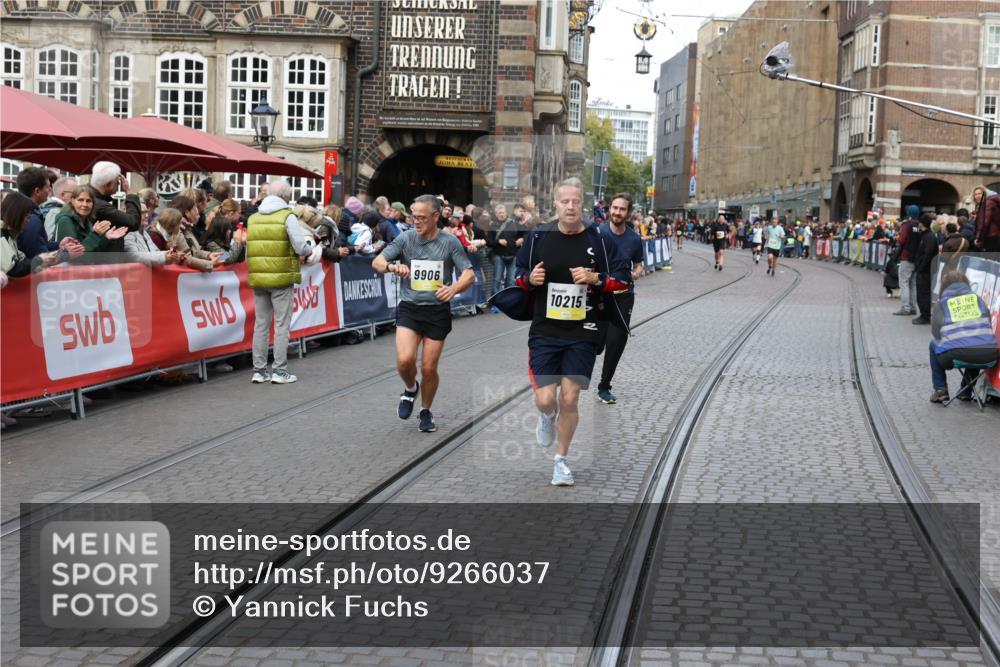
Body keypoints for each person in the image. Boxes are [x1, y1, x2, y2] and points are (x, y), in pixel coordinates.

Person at [509, 177, 630, 486]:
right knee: (547, 399)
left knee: (571, 398)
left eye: (576, 201)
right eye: (566, 201)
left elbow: (623, 280)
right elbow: (518, 275)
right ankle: (546, 417)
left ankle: (560, 461)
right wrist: (530, 280)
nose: (571, 206)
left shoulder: (601, 240)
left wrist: (595, 278)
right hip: (545, 330)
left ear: (582, 204)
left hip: (584, 330)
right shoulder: (538, 237)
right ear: (556, 205)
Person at [372, 194, 475, 433]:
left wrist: (454, 288)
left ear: (436, 217)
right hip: (410, 307)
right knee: (405, 360)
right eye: (413, 217)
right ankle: (410, 389)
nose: (415, 222)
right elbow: (377, 262)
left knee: (429, 367)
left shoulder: (449, 242)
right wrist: (391, 266)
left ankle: (425, 411)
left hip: (437, 311)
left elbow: (469, 274)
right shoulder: (406, 239)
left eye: (421, 218)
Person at [245, 179, 316, 385]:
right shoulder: (287, 216)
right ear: (286, 196)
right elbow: (300, 247)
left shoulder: (254, 218)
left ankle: (259, 370)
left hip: (259, 276)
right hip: (281, 276)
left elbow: (249, 250)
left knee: (261, 325)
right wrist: (309, 248)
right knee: (281, 325)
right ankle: (279, 370)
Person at [596, 193, 644, 405]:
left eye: (622, 209)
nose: (617, 212)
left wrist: (637, 271)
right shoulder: (597, 233)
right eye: (614, 208)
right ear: (609, 209)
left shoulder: (634, 238)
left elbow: (639, 263)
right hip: (598, 295)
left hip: (623, 296)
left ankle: (604, 386)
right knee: (595, 343)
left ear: (628, 212)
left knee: (615, 342)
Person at [928, 271, 999, 403]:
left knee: (933, 344)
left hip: (955, 356)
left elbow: (936, 333)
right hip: (989, 356)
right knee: (976, 344)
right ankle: (966, 392)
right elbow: (988, 324)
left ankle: (940, 389)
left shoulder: (941, 304)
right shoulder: (979, 300)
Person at [2, 191, 73, 276]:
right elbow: (14, 269)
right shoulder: (3, 235)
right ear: (16, 214)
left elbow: (23, 262)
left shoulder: (10, 235)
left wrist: (52, 256)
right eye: (26, 216)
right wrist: (40, 259)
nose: (28, 221)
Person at [54, 185, 129, 254]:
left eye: (88, 201)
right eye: (80, 200)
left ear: (93, 203)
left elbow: (93, 252)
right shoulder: (65, 220)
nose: (85, 204)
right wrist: (95, 234)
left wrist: (106, 237)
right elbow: (76, 255)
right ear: (73, 201)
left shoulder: (88, 221)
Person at [894, 204, 921, 316]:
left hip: (906, 257)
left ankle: (905, 307)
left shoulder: (906, 225)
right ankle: (913, 307)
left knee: (904, 283)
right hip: (917, 258)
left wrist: (895, 254)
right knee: (913, 284)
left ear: (909, 214)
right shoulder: (920, 225)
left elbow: (901, 240)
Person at [912, 214, 937, 325]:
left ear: (922, 224)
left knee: (923, 293)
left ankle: (925, 316)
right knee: (922, 293)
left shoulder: (929, 237)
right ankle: (924, 314)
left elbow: (928, 254)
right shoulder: (926, 235)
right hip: (924, 270)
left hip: (925, 271)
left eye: (919, 222)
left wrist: (921, 267)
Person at [43, 175, 77, 242]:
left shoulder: (57, 209)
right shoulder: (55, 211)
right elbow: (50, 240)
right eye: (75, 193)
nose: (78, 195)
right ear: (63, 195)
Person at [971, 185, 1000, 252]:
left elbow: (985, 222)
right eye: (975, 194)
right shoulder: (983, 205)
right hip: (992, 236)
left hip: (991, 237)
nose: (977, 196)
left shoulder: (988, 203)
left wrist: (978, 239)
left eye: (980, 193)